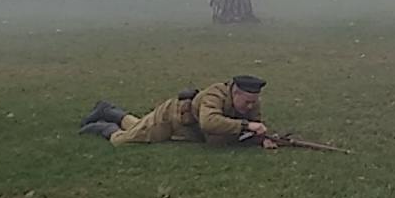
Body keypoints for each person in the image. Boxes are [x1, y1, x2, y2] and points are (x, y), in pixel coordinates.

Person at [78, 75, 274, 149]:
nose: (251, 106)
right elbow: (209, 123)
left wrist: (262, 138)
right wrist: (246, 126)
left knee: (138, 126)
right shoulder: (215, 95)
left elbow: (255, 123)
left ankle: (108, 110)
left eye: (253, 102)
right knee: (122, 140)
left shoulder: (250, 101)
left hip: (187, 128)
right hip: (169, 119)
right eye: (247, 102)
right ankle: (104, 126)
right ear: (235, 92)